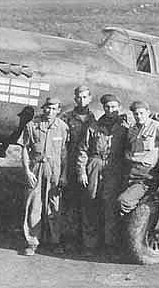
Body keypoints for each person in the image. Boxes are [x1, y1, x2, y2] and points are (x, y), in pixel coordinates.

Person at [76, 94, 129, 256]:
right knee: (90, 203)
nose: (110, 110)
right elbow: (83, 150)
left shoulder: (125, 127)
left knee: (110, 205)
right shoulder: (93, 126)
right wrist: (82, 171)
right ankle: (90, 245)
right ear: (103, 108)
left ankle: (110, 245)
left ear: (119, 107)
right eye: (107, 107)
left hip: (113, 167)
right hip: (94, 164)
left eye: (114, 107)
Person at [20, 97, 69, 256]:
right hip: (37, 167)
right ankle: (32, 242)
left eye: (54, 109)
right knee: (34, 205)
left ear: (58, 110)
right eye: (48, 108)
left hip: (54, 169)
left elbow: (64, 154)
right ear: (43, 108)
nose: (50, 111)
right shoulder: (31, 125)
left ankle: (55, 241)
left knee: (54, 207)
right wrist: (27, 171)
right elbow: (25, 150)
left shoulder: (62, 127)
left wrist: (63, 175)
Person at [60, 85, 97, 252]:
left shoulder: (94, 119)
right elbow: (62, 146)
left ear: (90, 99)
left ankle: (88, 244)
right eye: (79, 97)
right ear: (75, 99)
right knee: (70, 205)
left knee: (89, 205)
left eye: (85, 97)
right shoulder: (67, 118)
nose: (82, 100)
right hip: (70, 167)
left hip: (88, 168)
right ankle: (70, 241)